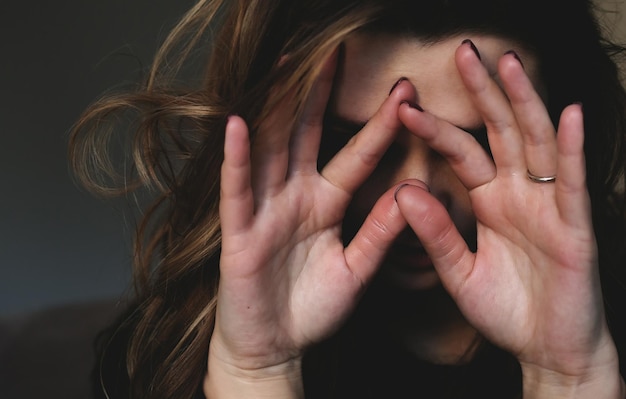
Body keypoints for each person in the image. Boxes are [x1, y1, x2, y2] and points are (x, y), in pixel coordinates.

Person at [68, 0, 626, 397]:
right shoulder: (154, 358)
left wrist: (570, 380)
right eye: (357, 142)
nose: (415, 198)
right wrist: (254, 374)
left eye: (475, 145)